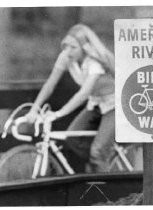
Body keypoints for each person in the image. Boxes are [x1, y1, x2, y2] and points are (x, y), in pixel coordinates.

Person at [26, 24, 115, 173]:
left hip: (115, 105)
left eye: (73, 47)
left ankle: (110, 190)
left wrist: (58, 114)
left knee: (97, 152)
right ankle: (97, 169)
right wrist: (34, 110)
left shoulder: (94, 62)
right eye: (65, 46)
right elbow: (50, 84)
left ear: (85, 48)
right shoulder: (66, 57)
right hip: (96, 104)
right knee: (72, 139)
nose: (68, 51)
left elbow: (83, 94)